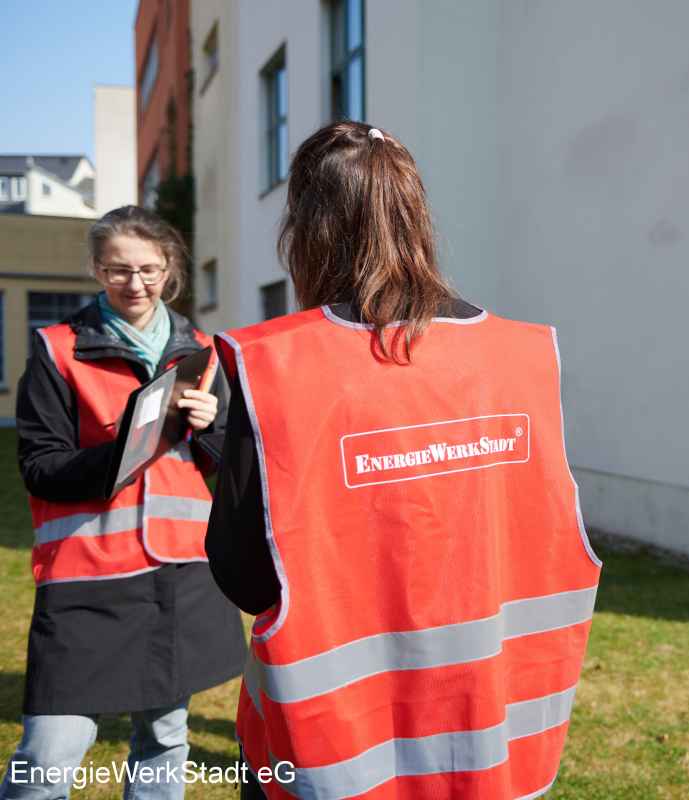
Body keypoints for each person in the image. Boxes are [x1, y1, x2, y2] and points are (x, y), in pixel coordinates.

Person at [205, 120, 602, 799]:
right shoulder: (523, 356)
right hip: (496, 743)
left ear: (305, 228)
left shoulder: (277, 366)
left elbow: (244, 575)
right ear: (416, 214)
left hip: (331, 752)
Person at [1, 206, 247, 800]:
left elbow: (227, 466)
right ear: (95, 269)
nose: (135, 284)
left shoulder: (206, 351)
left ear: (170, 268)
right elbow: (40, 469)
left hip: (179, 575)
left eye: (149, 269)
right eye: (117, 270)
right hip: (88, 580)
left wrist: (215, 427)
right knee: (50, 755)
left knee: (165, 739)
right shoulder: (57, 351)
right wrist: (124, 448)